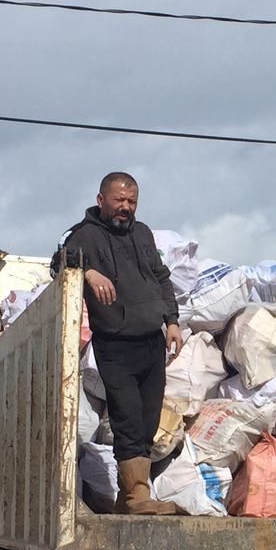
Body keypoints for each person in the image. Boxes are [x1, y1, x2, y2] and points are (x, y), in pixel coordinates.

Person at [53, 171, 183, 516]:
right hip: (115, 344)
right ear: (101, 200)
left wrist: (172, 321)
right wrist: (87, 272)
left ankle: (127, 500)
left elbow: (161, 278)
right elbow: (58, 264)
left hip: (152, 341)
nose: (126, 207)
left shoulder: (142, 234)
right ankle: (138, 496)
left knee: (148, 419)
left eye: (132, 202)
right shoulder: (84, 236)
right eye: (119, 200)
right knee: (127, 418)